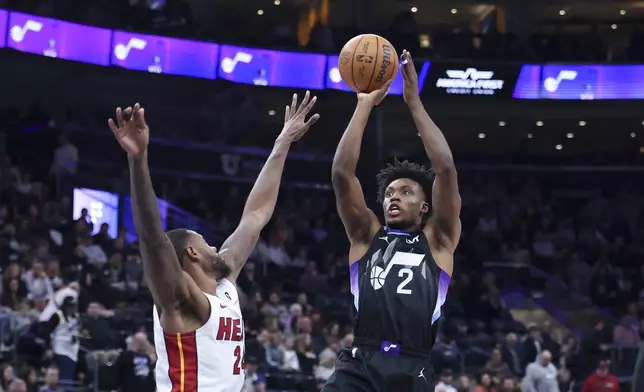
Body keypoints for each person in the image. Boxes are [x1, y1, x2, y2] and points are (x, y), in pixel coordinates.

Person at [107, 93, 319, 392]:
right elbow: (153, 241)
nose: (216, 247)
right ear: (191, 253)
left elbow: (256, 215)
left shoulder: (225, 283)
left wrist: (282, 143)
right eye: (206, 242)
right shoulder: (181, 300)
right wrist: (138, 160)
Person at [324, 50, 461, 392]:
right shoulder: (366, 236)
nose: (393, 197)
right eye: (389, 194)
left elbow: (444, 168)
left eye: (406, 192)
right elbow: (342, 172)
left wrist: (413, 101)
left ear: (425, 207)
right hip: (361, 361)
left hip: (413, 365)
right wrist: (364, 104)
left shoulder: (439, 240)